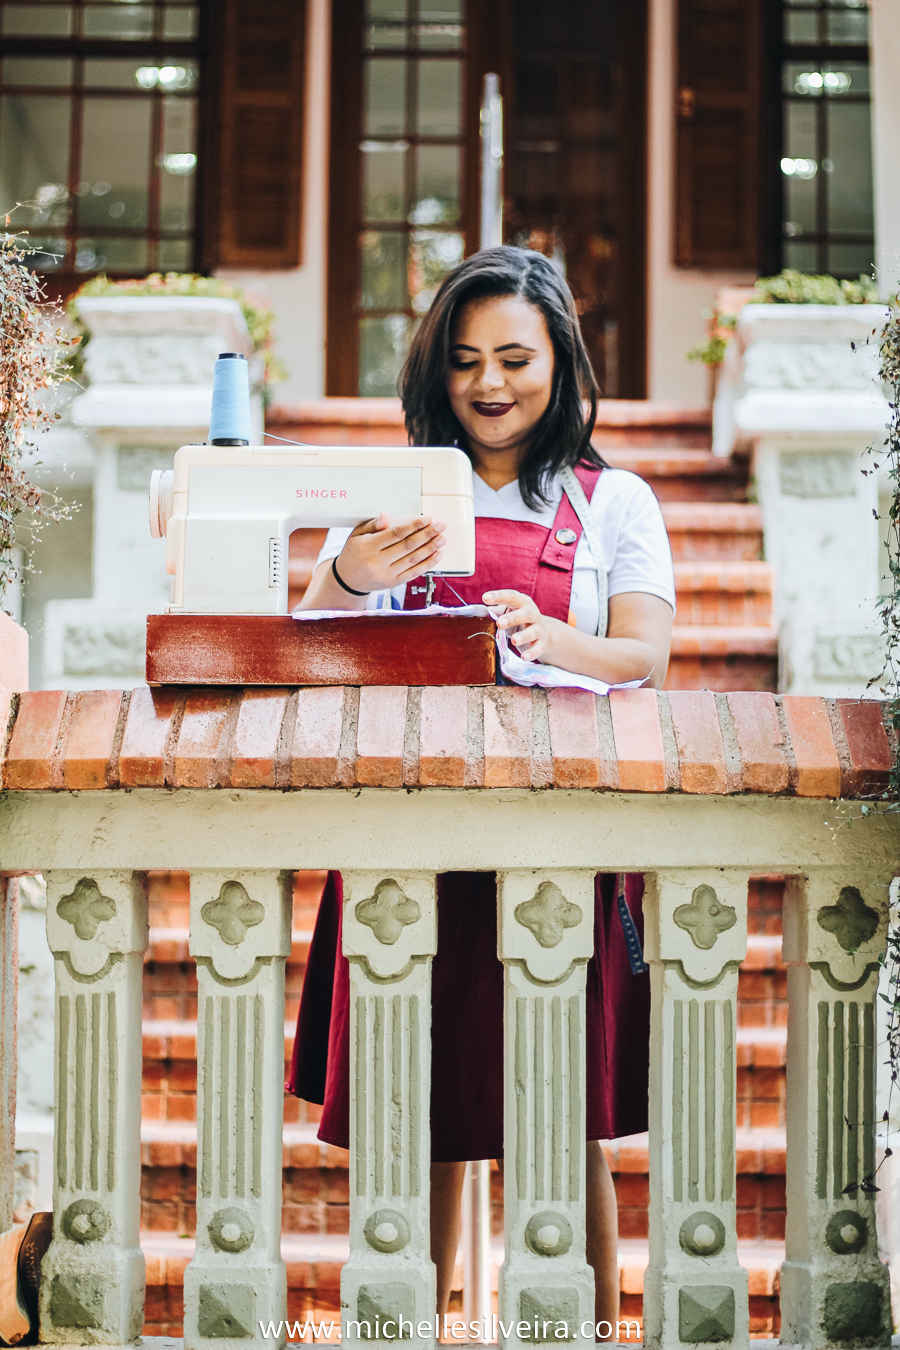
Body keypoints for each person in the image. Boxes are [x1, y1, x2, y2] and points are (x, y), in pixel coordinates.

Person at [287, 246, 675, 1329]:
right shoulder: (390, 496)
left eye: (516, 357)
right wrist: (353, 574)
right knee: (422, 1110)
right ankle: (415, 1327)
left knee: (566, 1124)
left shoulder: (613, 502)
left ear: (562, 360)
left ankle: (582, 1330)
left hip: (563, 831)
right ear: (434, 372)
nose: (491, 384)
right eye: (465, 362)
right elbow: (311, 642)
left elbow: (646, 651)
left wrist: (550, 633)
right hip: (411, 832)